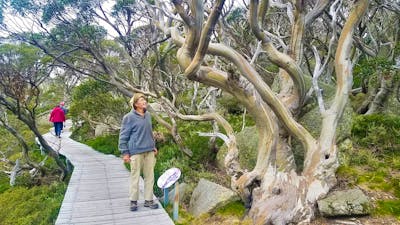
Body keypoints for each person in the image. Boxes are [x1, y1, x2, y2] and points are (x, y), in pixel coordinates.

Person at [118, 93, 159, 211]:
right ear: (136, 104)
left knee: (149, 176)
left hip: (149, 151)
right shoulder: (129, 117)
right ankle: (133, 201)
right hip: (135, 152)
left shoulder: (148, 115)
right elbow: (123, 136)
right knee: (135, 176)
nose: (144, 101)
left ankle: (148, 200)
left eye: (144, 99)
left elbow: (150, 132)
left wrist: (153, 146)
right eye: (141, 100)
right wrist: (125, 153)